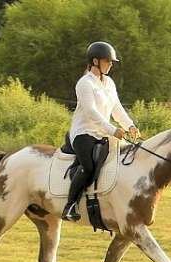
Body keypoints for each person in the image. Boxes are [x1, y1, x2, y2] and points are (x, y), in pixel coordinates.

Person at [61, 41, 141, 222]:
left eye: (111, 62)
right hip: (84, 133)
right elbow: (90, 111)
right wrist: (113, 130)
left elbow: (117, 109)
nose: (111, 65)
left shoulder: (109, 83)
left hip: (103, 133)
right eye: (108, 61)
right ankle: (70, 206)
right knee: (88, 166)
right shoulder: (85, 83)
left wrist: (130, 125)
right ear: (95, 61)